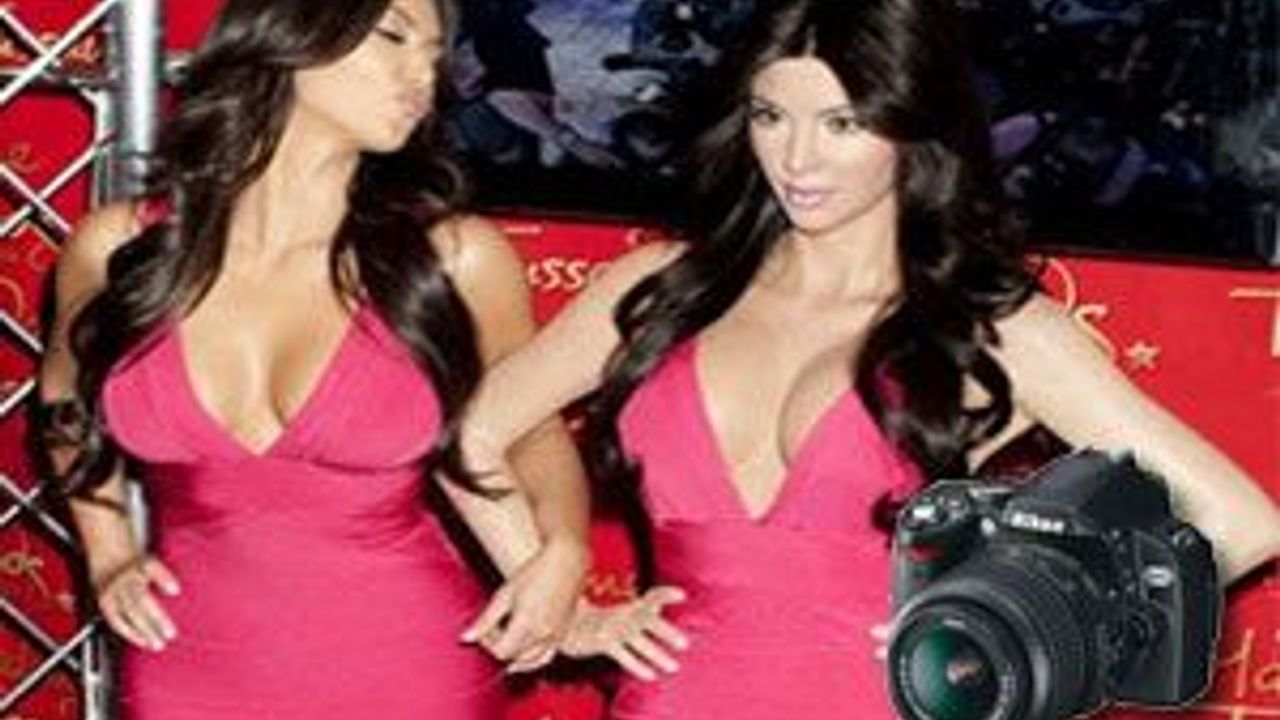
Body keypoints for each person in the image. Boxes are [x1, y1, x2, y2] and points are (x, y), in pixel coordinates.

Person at [454, 0, 1280, 717]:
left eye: (842, 124)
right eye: (770, 116)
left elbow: (1239, 522)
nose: (796, 159)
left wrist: (1040, 631)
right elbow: (471, 436)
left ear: (913, 126)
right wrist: (561, 601)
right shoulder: (661, 289)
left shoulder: (989, 327)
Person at [35, 0, 589, 717]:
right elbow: (64, 407)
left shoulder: (454, 260)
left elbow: (531, 429)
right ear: (291, 30)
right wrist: (108, 552)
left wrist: (565, 549)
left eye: (434, 54)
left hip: (406, 670)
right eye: (394, 36)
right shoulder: (116, 248)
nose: (423, 74)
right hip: (188, 667)